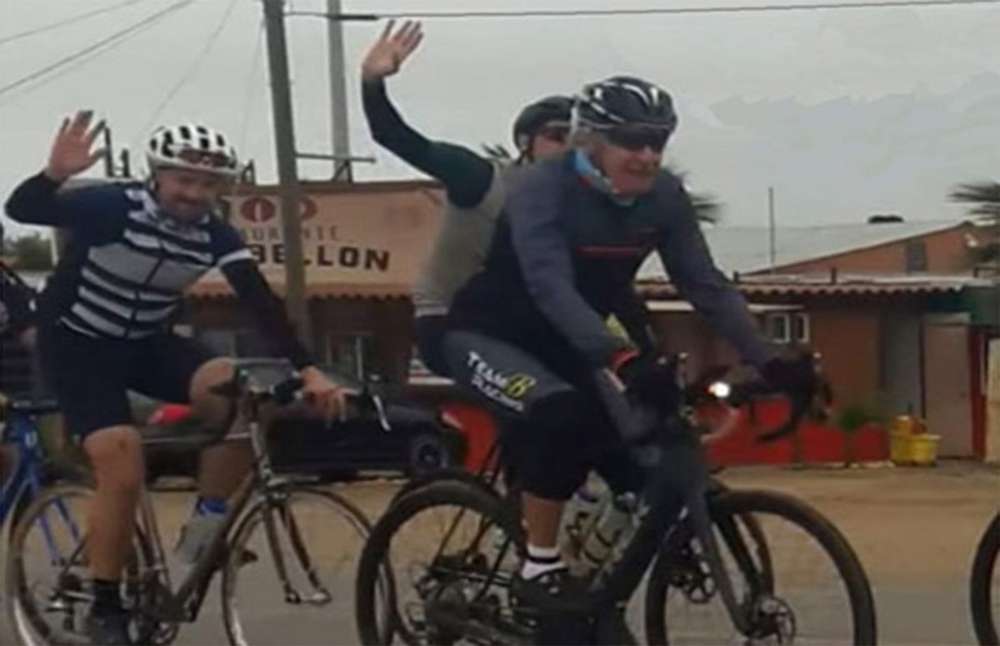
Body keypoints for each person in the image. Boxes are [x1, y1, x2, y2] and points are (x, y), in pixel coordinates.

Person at [443, 75, 817, 642]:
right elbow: (550, 287)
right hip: (492, 336)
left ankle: (590, 592)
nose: (647, 156)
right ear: (590, 140)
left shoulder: (663, 196)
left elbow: (704, 284)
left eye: (657, 142)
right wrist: (620, 357)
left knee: (643, 457)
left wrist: (768, 360)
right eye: (632, 141)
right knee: (560, 416)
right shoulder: (543, 188)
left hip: (573, 343)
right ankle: (539, 564)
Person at [4, 110, 345, 645]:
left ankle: (205, 525)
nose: (194, 194)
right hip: (77, 344)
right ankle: (105, 604)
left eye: (208, 184)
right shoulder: (112, 207)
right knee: (122, 460)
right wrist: (53, 176)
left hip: (146, 342)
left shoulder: (214, 234)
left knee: (242, 391)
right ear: (157, 175)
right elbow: (23, 209)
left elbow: (260, 302)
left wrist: (308, 369)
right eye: (184, 180)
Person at [360, 22, 659, 378]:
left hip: (530, 326)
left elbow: (610, 283)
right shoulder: (483, 179)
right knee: (554, 405)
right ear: (524, 143)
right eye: (556, 135)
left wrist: (649, 351)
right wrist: (372, 82)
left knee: (616, 403)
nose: (568, 146)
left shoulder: (585, 203)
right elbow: (396, 137)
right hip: (453, 324)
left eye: (579, 138)